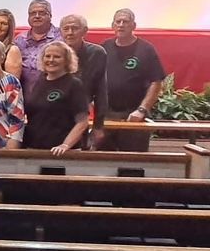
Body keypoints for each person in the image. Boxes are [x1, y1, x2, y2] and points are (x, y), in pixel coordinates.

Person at [99, 8, 166, 151]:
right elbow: (94, 77)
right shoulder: (104, 47)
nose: (121, 25)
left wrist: (142, 110)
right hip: (107, 115)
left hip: (134, 115)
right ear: (112, 25)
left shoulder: (146, 49)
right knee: (102, 161)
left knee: (133, 162)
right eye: (118, 21)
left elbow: (157, 82)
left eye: (126, 22)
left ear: (133, 26)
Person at [23, 41, 90, 155]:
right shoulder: (38, 81)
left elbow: (82, 122)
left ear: (66, 60)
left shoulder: (74, 84)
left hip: (60, 152)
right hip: (33, 148)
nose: (51, 60)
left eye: (57, 57)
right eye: (47, 56)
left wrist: (65, 145)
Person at [59, 13, 109, 148]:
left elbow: (101, 91)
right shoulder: (53, 51)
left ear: (85, 31)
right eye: (66, 28)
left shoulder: (97, 53)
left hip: (80, 117)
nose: (70, 32)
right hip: (53, 115)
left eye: (75, 28)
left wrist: (98, 126)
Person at [6, 0, 60, 92]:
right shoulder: (19, 39)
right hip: (25, 94)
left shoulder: (61, 37)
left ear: (50, 16)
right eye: (33, 13)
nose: (37, 16)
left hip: (54, 94)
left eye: (42, 13)